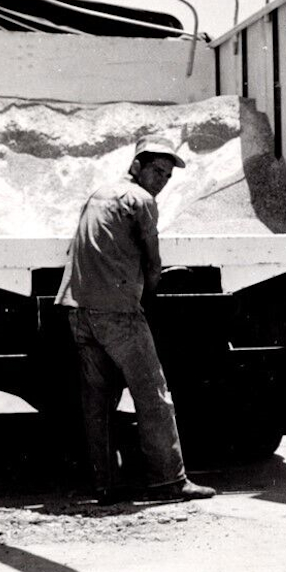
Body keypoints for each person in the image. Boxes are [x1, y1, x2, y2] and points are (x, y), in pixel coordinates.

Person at [57, 137, 216, 504]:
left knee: (97, 401)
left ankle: (104, 485)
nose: (162, 181)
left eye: (167, 176)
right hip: (117, 314)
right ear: (136, 166)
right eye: (157, 171)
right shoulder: (141, 200)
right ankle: (169, 481)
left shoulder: (98, 194)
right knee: (153, 395)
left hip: (78, 310)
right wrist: (150, 292)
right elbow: (153, 263)